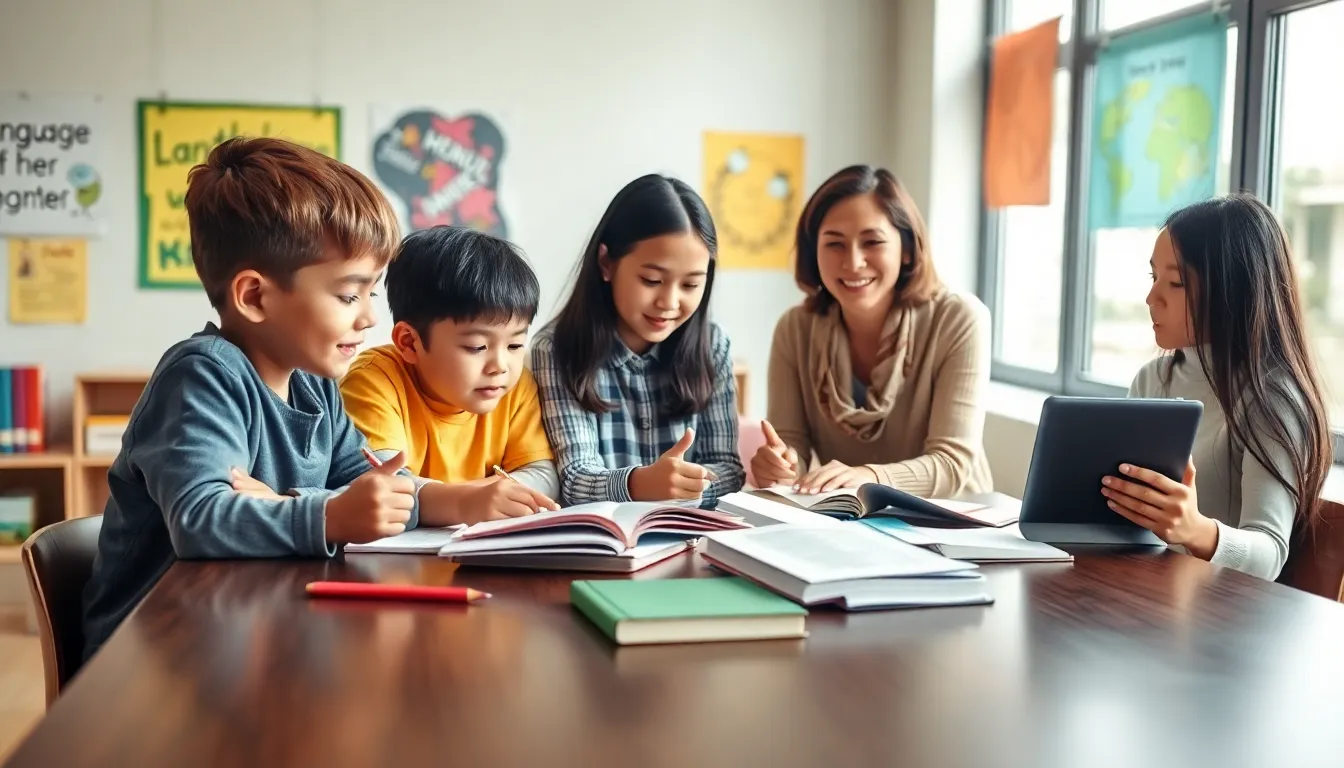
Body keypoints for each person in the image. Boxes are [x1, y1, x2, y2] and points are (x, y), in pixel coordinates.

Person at [83, 137, 428, 659]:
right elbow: (201, 520)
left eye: (372, 292)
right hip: (153, 655)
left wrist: (461, 500)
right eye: (348, 294)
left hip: (254, 631)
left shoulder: (315, 386)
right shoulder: (201, 377)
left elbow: (371, 484)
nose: (369, 317)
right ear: (254, 296)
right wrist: (330, 516)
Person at [1100, 193, 1331, 580]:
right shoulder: (1153, 379)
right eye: (1154, 277)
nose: (1151, 297)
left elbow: (1269, 554)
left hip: (1222, 619)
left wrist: (1194, 530)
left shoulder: (1272, 399)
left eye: (1174, 283)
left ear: (1231, 292)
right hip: (1151, 597)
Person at [751, 165, 992, 497]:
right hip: (856, 520)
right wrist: (783, 464)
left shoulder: (959, 318)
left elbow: (951, 465)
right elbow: (792, 447)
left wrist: (869, 476)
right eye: (834, 244)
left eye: (872, 242)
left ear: (907, 249)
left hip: (956, 523)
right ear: (813, 251)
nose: (853, 262)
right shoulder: (795, 329)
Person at [531, 173, 746, 507]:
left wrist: (685, 485)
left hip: (691, 541)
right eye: (652, 279)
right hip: (602, 546)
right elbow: (574, 479)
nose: (669, 302)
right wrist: (640, 484)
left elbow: (729, 469)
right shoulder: (558, 349)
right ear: (606, 263)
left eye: (690, 285)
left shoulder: (712, 345)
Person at [339, 226, 560, 519]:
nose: (500, 365)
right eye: (477, 346)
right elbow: (379, 483)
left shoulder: (515, 386)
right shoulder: (375, 380)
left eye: (515, 344)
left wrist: (491, 497)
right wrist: (468, 500)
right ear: (410, 343)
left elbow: (544, 475)